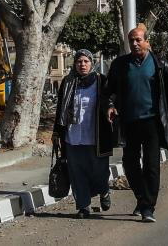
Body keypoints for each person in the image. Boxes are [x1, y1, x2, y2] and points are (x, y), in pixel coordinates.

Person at [106, 24, 168, 223]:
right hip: (129, 122)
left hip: (153, 122)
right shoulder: (119, 65)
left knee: (151, 165)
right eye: (131, 40)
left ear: (147, 42)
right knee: (129, 163)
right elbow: (109, 90)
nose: (134, 43)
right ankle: (142, 198)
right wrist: (109, 104)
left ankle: (148, 207)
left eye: (138, 40)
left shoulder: (162, 66)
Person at [55, 49, 116, 219]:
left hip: (96, 136)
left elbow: (109, 101)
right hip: (73, 137)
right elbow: (61, 108)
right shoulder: (67, 82)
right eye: (79, 61)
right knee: (77, 173)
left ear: (91, 63)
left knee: (99, 172)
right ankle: (83, 206)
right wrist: (56, 133)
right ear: (75, 64)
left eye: (86, 61)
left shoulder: (101, 81)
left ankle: (104, 191)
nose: (82, 65)